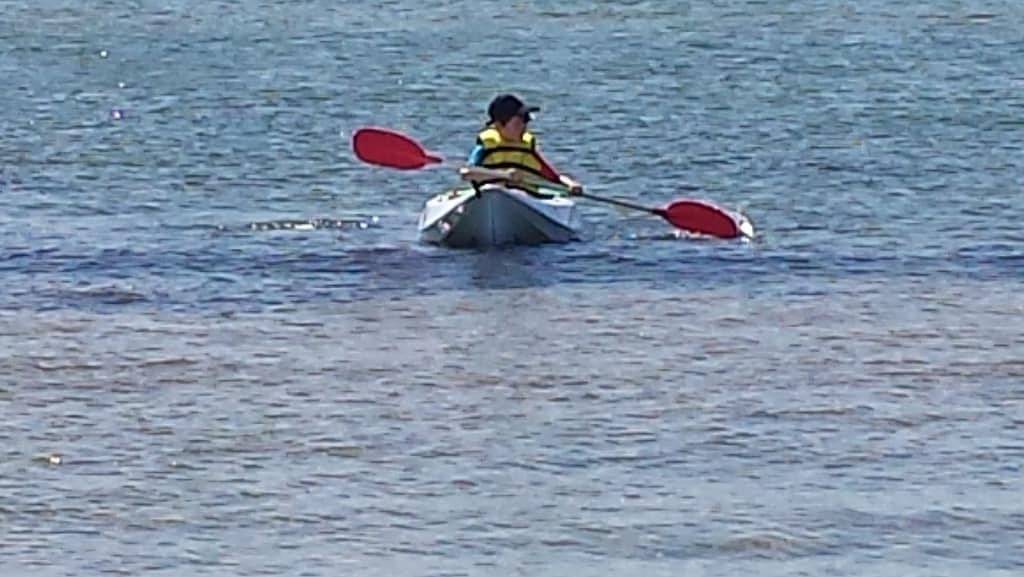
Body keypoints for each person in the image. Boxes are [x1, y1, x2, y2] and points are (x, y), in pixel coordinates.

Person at [464, 93, 584, 195]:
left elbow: (554, 177)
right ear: (499, 125)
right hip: (491, 194)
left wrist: (570, 184)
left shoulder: (527, 146)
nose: (524, 127)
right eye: (518, 123)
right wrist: (504, 175)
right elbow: (467, 173)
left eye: (526, 121)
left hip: (524, 197)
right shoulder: (486, 144)